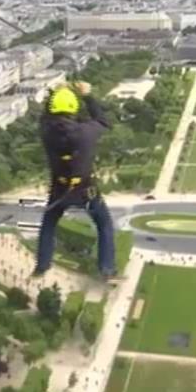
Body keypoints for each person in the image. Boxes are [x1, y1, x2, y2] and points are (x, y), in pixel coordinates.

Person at [34, 82, 118, 281]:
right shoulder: (86, 132)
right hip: (85, 191)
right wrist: (87, 96)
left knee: (49, 224)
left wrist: (55, 93)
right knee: (104, 225)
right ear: (74, 108)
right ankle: (107, 268)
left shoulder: (46, 130)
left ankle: (42, 265)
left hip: (59, 191)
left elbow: (48, 117)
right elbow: (103, 121)